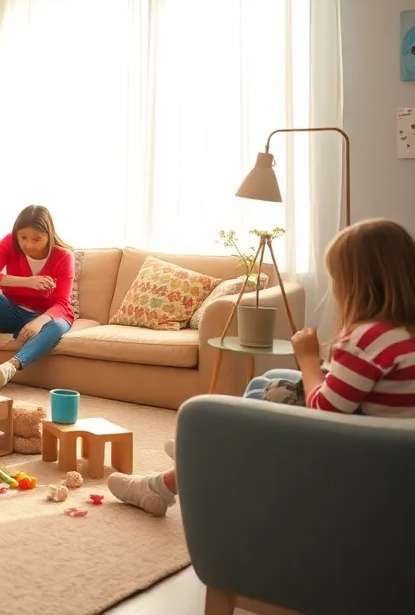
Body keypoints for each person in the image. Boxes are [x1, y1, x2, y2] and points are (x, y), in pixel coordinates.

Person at [110, 218, 415, 517]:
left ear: (358, 283)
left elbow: (326, 412)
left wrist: (308, 359)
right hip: (388, 448)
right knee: (266, 380)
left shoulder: (366, 338)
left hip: (360, 454)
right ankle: (200, 456)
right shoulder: (401, 334)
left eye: (337, 279)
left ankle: (184, 468)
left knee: (249, 399)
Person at [0, 205, 75, 389]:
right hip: (9, 312)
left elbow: (62, 303)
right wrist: (27, 281)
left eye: (36, 239)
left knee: (59, 325)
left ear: (49, 235)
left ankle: (9, 368)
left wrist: (38, 322)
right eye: (23, 237)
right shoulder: (10, 243)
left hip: (40, 318)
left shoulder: (63, 256)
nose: (28, 245)